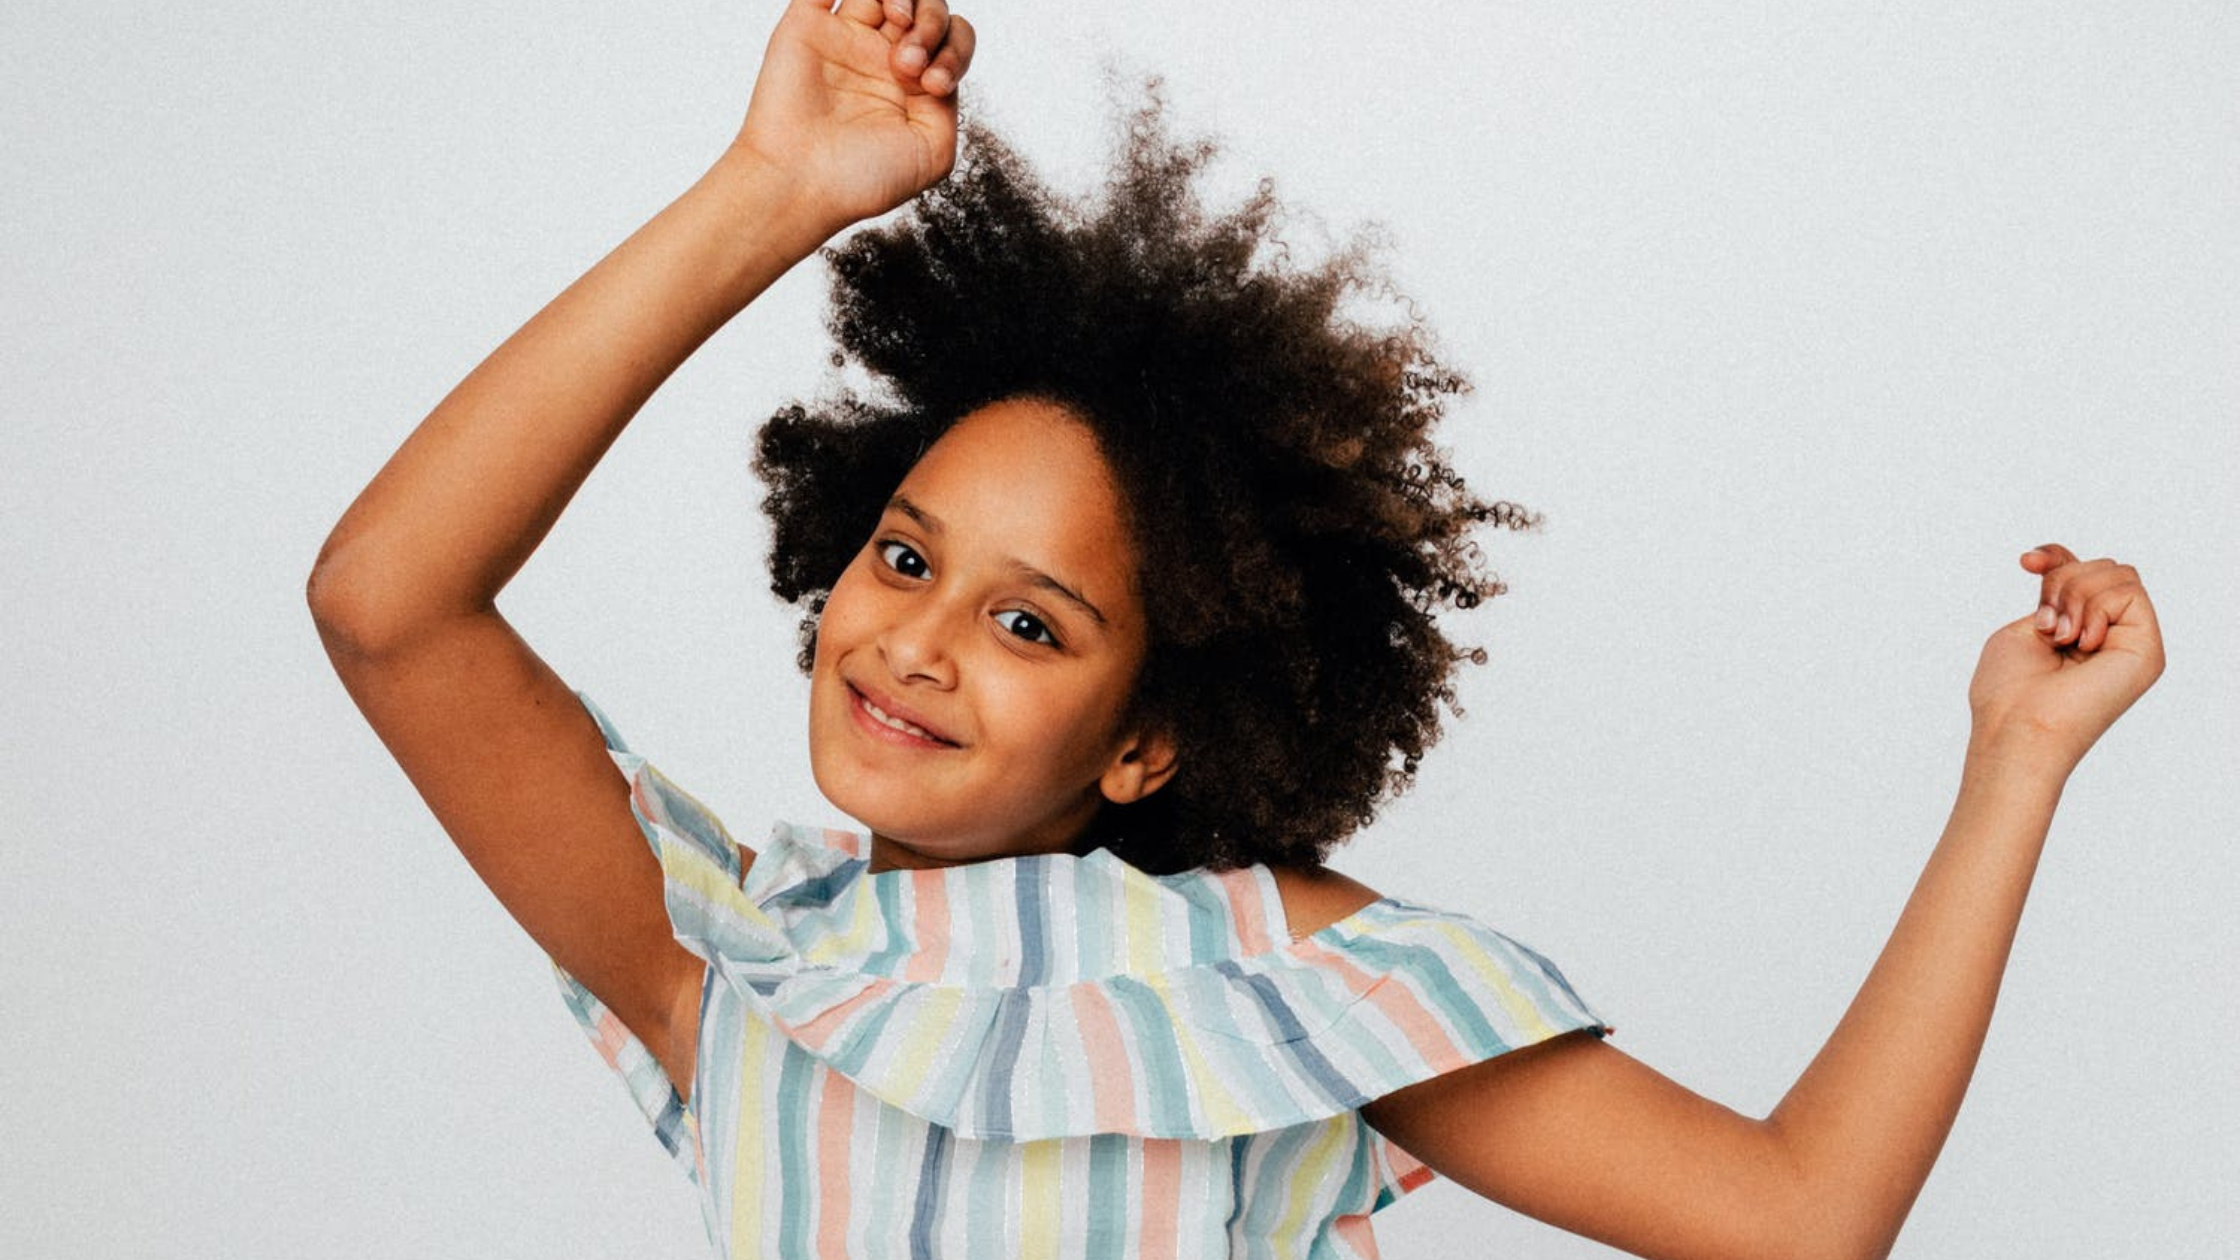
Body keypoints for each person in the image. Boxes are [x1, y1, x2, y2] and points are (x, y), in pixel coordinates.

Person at [305, 2, 2166, 1257]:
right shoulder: (727, 960)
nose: (919, 642)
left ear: (1148, 735)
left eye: (1031, 623)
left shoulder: (1281, 977)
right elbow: (388, 605)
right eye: (900, 559)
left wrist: (2016, 760)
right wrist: (772, 192)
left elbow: (1795, 1215)